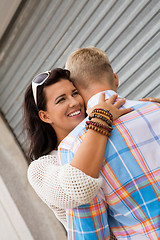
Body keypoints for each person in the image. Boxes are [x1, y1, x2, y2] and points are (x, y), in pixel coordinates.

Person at [58, 47, 160, 239]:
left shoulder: (73, 146)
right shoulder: (155, 108)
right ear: (115, 79)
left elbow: (90, 233)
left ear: (77, 92)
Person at [25, 68, 131, 235]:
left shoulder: (106, 130)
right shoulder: (40, 169)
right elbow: (78, 187)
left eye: (74, 93)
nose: (74, 102)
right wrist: (100, 118)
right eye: (61, 100)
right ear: (45, 116)